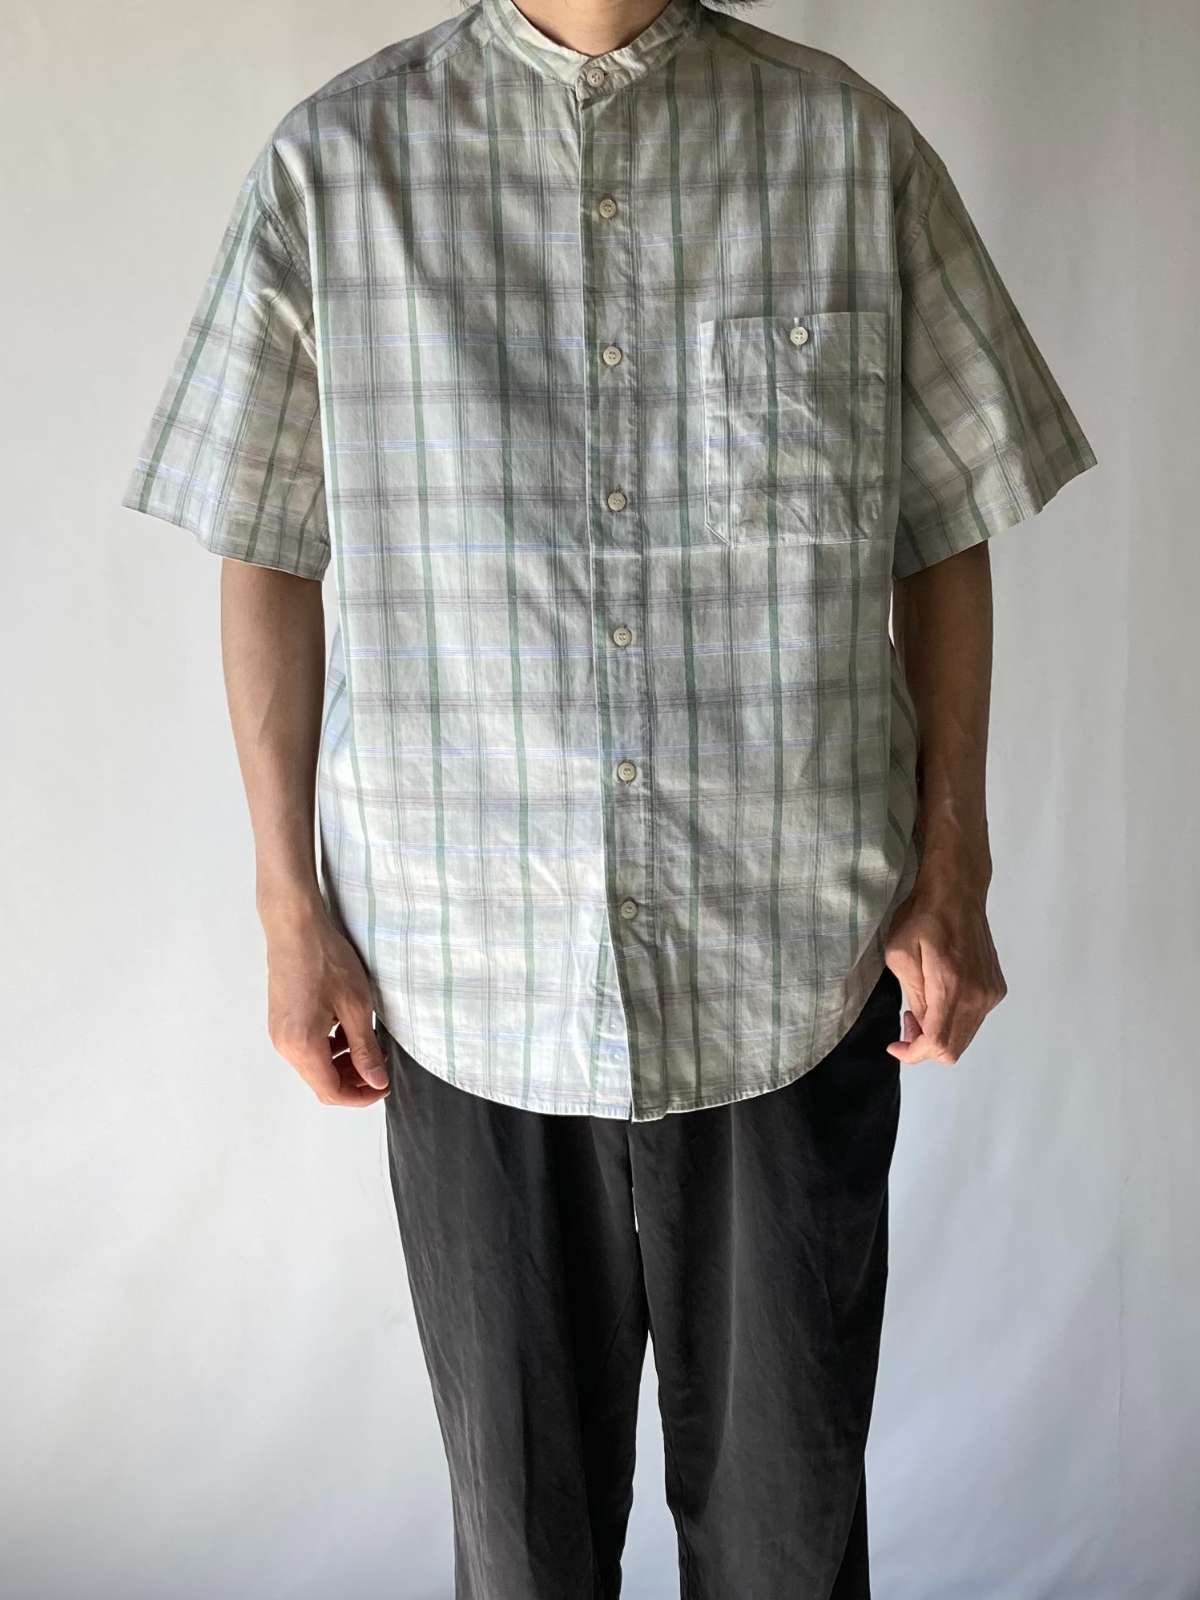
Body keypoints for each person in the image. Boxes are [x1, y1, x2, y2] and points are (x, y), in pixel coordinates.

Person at [120, 0, 1097, 1592]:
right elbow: (267, 549)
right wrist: (290, 912)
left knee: (789, 1547)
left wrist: (955, 864)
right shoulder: (336, 168)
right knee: (523, 1551)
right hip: (463, 980)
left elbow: (943, 532)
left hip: (790, 968)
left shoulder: (847, 150)